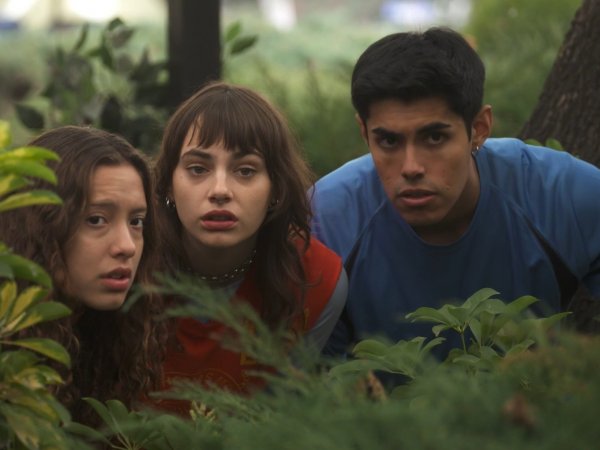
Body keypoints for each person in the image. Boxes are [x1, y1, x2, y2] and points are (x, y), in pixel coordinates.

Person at [311, 27, 600, 357]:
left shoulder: (559, 193)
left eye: (434, 138)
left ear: (479, 129)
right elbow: (299, 374)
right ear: (365, 133)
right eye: (388, 141)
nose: (411, 167)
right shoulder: (326, 220)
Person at [153, 81, 347, 404]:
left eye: (245, 171)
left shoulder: (315, 280)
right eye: (198, 168)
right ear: (169, 185)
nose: (220, 190)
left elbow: (283, 419)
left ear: (277, 189)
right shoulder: (127, 262)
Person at [0, 126, 166, 425]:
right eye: (96, 219)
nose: (127, 246)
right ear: (40, 229)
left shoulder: (106, 343)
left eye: (136, 222)